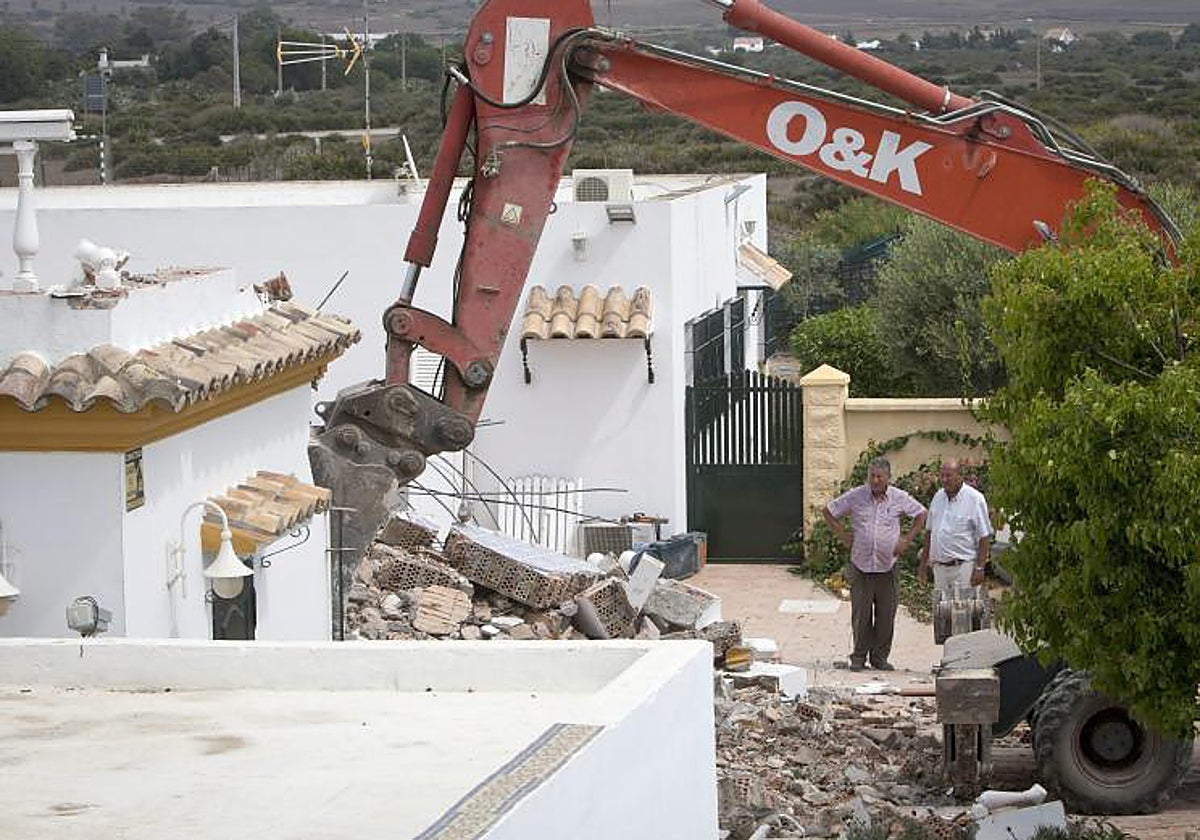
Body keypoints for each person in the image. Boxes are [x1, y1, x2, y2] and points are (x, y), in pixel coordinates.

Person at [823, 457, 926, 672]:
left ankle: (879, 658)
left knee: (886, 614)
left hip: (888, 566)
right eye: (872, 476)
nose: (875, 480)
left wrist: (906, 540)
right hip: (860, 565)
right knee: (861, 614)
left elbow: (921, 514)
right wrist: (843, 535)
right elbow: (829, 511)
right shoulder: (856, 496)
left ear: (888, 477)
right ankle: (858, 657)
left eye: (880, 476)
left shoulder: (899, 497)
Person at [917, 458, 993, 602]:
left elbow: (984, 536)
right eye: (942, 475)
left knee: (962, 617)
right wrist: (922, 564)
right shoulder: (938, 497)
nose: (944, 480)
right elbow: (930, 532)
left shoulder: (975, 499)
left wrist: (980, 568)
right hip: (939, 569)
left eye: (949, 476)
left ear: (959, 476)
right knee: (941, 617)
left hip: (963, 569)